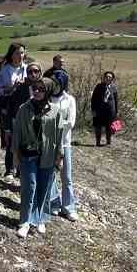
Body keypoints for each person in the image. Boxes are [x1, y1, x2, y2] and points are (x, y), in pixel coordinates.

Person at [13, 77, 63, 238]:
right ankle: (25, 221)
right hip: (28, 155)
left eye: (41, 89)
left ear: (48, 91)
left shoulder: (55, 110)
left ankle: (40, 218)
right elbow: (17, 133)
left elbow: (59, 135)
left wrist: (59, 157)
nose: (37, 91)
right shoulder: (24, 108)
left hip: (48, 155)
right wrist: (15, 154)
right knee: (30, 187)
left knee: (44, 188)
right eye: (35, 88)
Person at [46, 68, 79, 221]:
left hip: (64, 143)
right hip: (49, 143)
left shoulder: (69, 100)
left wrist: (54, 122)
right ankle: (54, 204)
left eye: (57, 82)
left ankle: (69, 207)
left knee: (66, 177)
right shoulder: (46, 98)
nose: (54, 85)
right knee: (50, 175)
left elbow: (70, 123)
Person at [0, 45, 29, 175]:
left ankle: (21, 170)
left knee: (25, 140)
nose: (19, 55)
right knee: (11, 139)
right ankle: (9, 169)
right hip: (10, 108)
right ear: (11, 54)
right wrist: (11, 88)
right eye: (16, 53)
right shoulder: (5, 70)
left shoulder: (28, 69)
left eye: (21, 53)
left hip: (27, 109)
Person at [90, 70, 120, 147]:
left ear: (112, 79)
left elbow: (116, 100)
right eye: (106, 77)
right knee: (98, 127)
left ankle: (108, 142)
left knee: (109, 128)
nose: (108, 78)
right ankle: (98, 142)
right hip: (99, 111)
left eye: (110, 77)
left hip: (110, 112)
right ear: (104, 78)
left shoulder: (113, 88)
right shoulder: (98, 86)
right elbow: (93, 99)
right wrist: (93, 110)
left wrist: (116, 111)